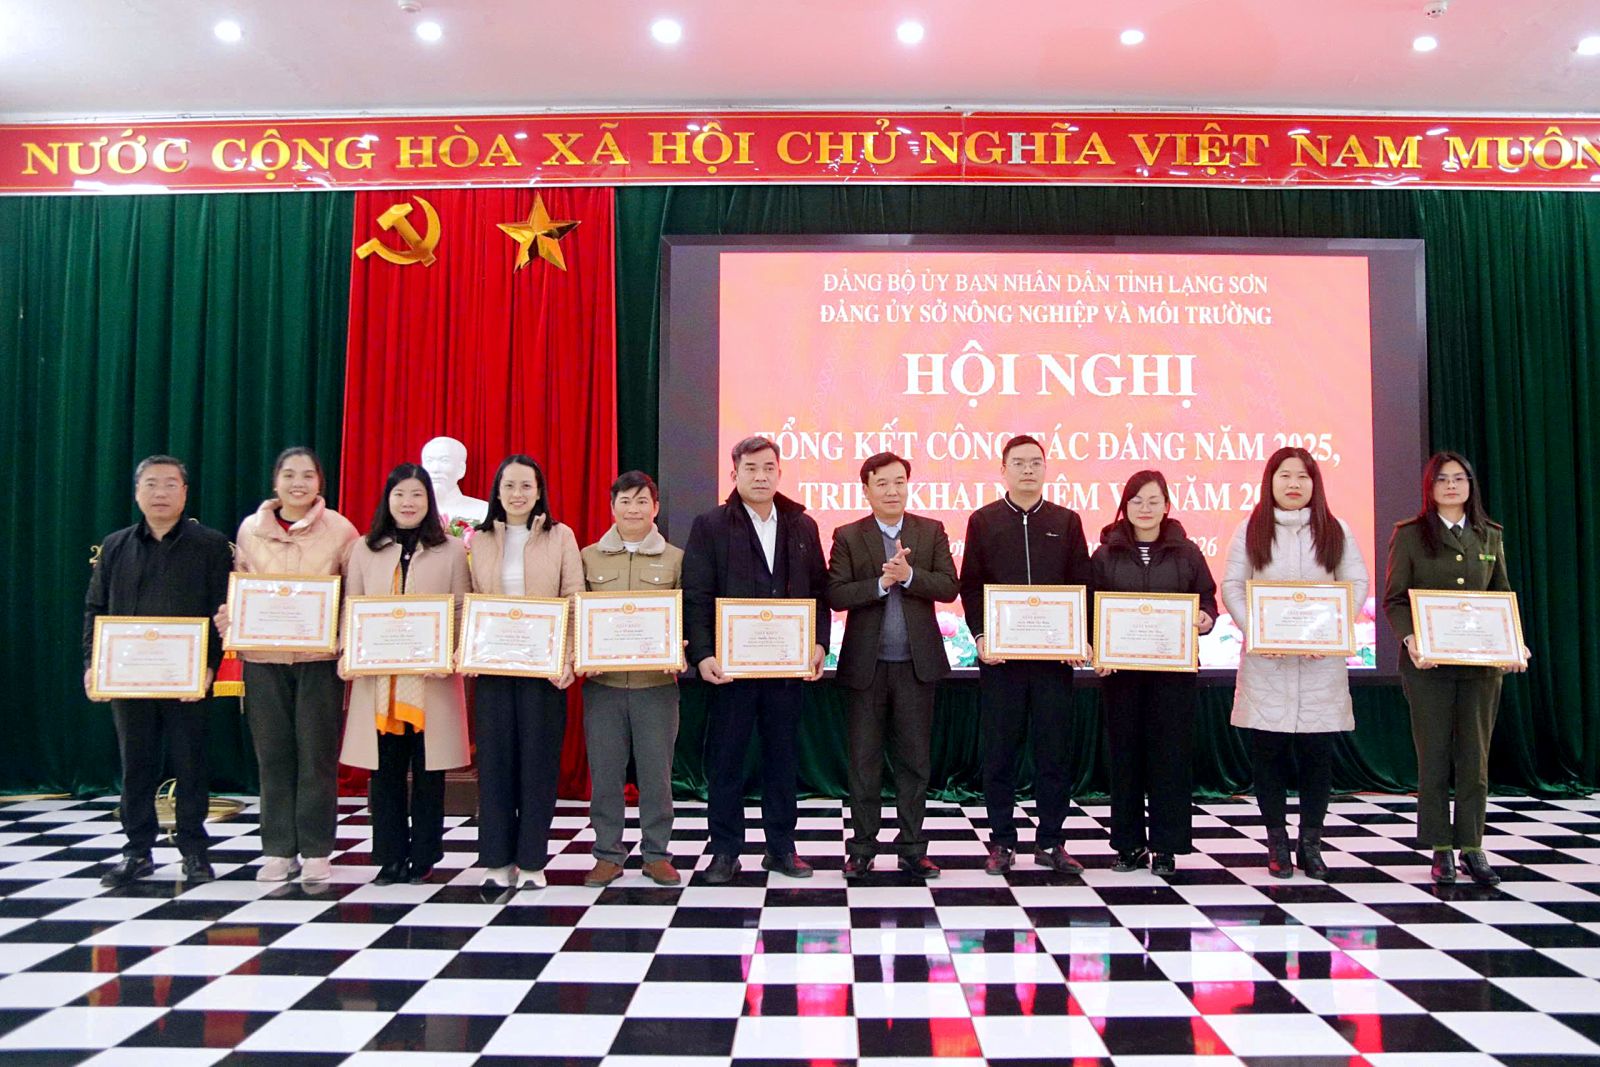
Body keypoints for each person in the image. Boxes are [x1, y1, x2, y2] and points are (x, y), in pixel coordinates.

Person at [684, 435, 831, 885]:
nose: (761, 476)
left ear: (779, 472)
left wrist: (820, 643)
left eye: (769, 468)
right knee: (726, 760)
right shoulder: (710, 525)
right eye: (751, 468)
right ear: (734, 474)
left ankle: (781, 848)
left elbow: (820, 592)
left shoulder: (802, 525)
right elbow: (697, 595)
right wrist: (703, 654)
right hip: (730, 670)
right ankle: (725, 851)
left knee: (782, 760)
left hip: (786, 669)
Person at [84, 455, 232, 887]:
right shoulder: (115, 546)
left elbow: (223, 611)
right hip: (129, 678)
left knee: (191, 764)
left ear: (185, 492)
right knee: (136, 766)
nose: (160, 493)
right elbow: (95, 609)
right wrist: (94, 665)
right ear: (136, 493)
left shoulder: (210, 545)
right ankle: (137, 851)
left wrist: (210, 666)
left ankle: (194, 851)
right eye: (150, 484)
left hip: (188, 680)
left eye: (170, 484)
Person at [1222, 447, 1367, 880]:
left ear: (1314, 484)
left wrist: (1332, 629)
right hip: (1267, 665)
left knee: (1317, 758)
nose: (1293, 484)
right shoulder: (1251, 529)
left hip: (1320, 664)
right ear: (1270, 482)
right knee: (1268, 756)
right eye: (1284, 476)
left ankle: (1311, 843)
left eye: (1302, 477)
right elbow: (1233, 586)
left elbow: (1355, 583)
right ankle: (1277, 843)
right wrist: (1256, 631)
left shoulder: (1336, 529)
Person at [1383, 451, 1528, 886]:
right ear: (1429, 487)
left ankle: (1472, 845)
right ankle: (1440, 847)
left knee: (1475, 760)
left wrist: (1513, 642)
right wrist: (1411, 639)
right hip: (1428, 667)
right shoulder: (1410, 535)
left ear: (1470, 485)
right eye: (1442, 479)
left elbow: (1501, 595)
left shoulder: (1489, 535)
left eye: (1459, 478)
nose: (1451, 485)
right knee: (1434, 758)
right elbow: (1394, 599)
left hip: (1481, 667)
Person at [218, 447, 358, 884]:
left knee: (317, 755)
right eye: (289, 474)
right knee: (273, 753)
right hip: (263, 658)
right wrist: (231, 616)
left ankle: (316, 850)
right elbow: (240, 586)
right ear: (275, 481)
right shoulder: (251, 529)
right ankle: (278, 849)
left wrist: (341, 637)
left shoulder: (340, 529)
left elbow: (352, 594)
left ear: (320, 483)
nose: (298, 483)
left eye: (308, 475)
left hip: (319, 660)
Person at [960, 434, 1093, 876]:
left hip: (1054, 662)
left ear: (1046, 468)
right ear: (1003, 470)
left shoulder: (1066, 521)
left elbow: (1082, 583)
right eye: (1019, 462)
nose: (1028, 469)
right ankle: (1001, 841)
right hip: (1003, 662)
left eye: (1036, 462)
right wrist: (981, 635)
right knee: (1000, 754)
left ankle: (1052, 841)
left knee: (1054, 753)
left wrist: (1080, 636)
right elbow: (971, 585)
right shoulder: (984, 521)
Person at [828, 452, 959, 879]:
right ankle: (862, 848)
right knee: (863, 763)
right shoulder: (848, 535)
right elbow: (836, 593)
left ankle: (912, 848)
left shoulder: (930, 530)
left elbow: (949, 586)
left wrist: (909, 576)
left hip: (916, 668)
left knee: (914, 763)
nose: (892, 490)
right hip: (866, 668)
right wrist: (881, 584)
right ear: (866, 490)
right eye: (882, 483)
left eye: (899, 481)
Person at [340, 463, 471, 886]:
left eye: (417, 494)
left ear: (428, 501)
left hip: (432, 679)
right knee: (385, 773)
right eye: (400, 494)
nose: (408, 502)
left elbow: (460, 607)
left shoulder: (451, 550)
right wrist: (347, 650)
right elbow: (352, 607)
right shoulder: (364, 549)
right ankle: (390, 856)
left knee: (430, 773)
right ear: (388, 500)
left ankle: (425, 855)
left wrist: (453, 649)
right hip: (380, 681)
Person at [1091, 471, 1217, 876]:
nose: (1145, 509)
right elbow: (1091, 608)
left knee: (1171, 759)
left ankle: (1166, 846)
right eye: (1136, 501)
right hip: (1121, 674)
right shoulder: (1105, 555)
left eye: (1153, 501)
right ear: (1125, 506)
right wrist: (1097, 648)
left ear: (1167, 505)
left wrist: (1205, 618)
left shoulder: (1188, 553)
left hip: (1173, 674)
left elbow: (1208, 601)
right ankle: (1128, 845)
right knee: (1124, 759)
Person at [465, 454, 580, 891]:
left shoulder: (561, 536)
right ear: (497, 491)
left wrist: (568, 657)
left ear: (539, 491)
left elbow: (574, 598)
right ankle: (496, 860)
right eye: (509, 485)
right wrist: (466, 649)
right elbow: (469, 600)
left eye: (526, 486)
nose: (517, 494)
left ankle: (532, 861)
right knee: (495, 766)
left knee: (538, 767)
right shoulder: (478, 540)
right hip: (493, 669)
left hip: (544, 672)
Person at [578, 471, 685, 888]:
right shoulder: (589, 557)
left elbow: (685, 616)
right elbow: (576, 614)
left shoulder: (675, 558)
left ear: (655, 508)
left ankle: (656, 855)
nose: (633, 509)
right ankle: (608, 854)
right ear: (612, 507)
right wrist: (581, 652)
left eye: (642, 501)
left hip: (655, 687)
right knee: (605, 776)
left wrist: (680, 647)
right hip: (603, 687)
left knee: (657, 777)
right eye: (625, 501)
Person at [420, 435, 489, 523]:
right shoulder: (412, 509)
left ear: (461, 469)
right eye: (429, 461)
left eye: (444, 460)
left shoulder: (482, 510)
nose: (435, 469)